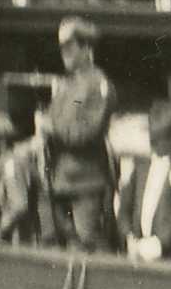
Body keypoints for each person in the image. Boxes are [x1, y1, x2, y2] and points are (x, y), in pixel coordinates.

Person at [43, 18, 116, 250]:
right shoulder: (66, 86)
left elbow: (89, 132)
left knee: (89, 245)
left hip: (87, 184)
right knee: (64, 247)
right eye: (62, 47)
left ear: (86, 48)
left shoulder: (99, 85)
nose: (64, 53)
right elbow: (51, 117)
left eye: (70, 46)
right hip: (60, 181)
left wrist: (53, 129)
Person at [117, 101, 171, 262]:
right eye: (152, 139)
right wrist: (129, 237)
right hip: (135, 254)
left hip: (168, 260)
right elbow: (124, 209)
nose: (153, 145)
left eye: (158, 140)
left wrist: (158, 245)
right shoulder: (140, 167)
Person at [0, 111, 47, 248]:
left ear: (1, 142)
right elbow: (0, 193)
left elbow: (19, 206)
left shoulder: (12, 164)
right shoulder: (4, 164)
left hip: (34, 240)